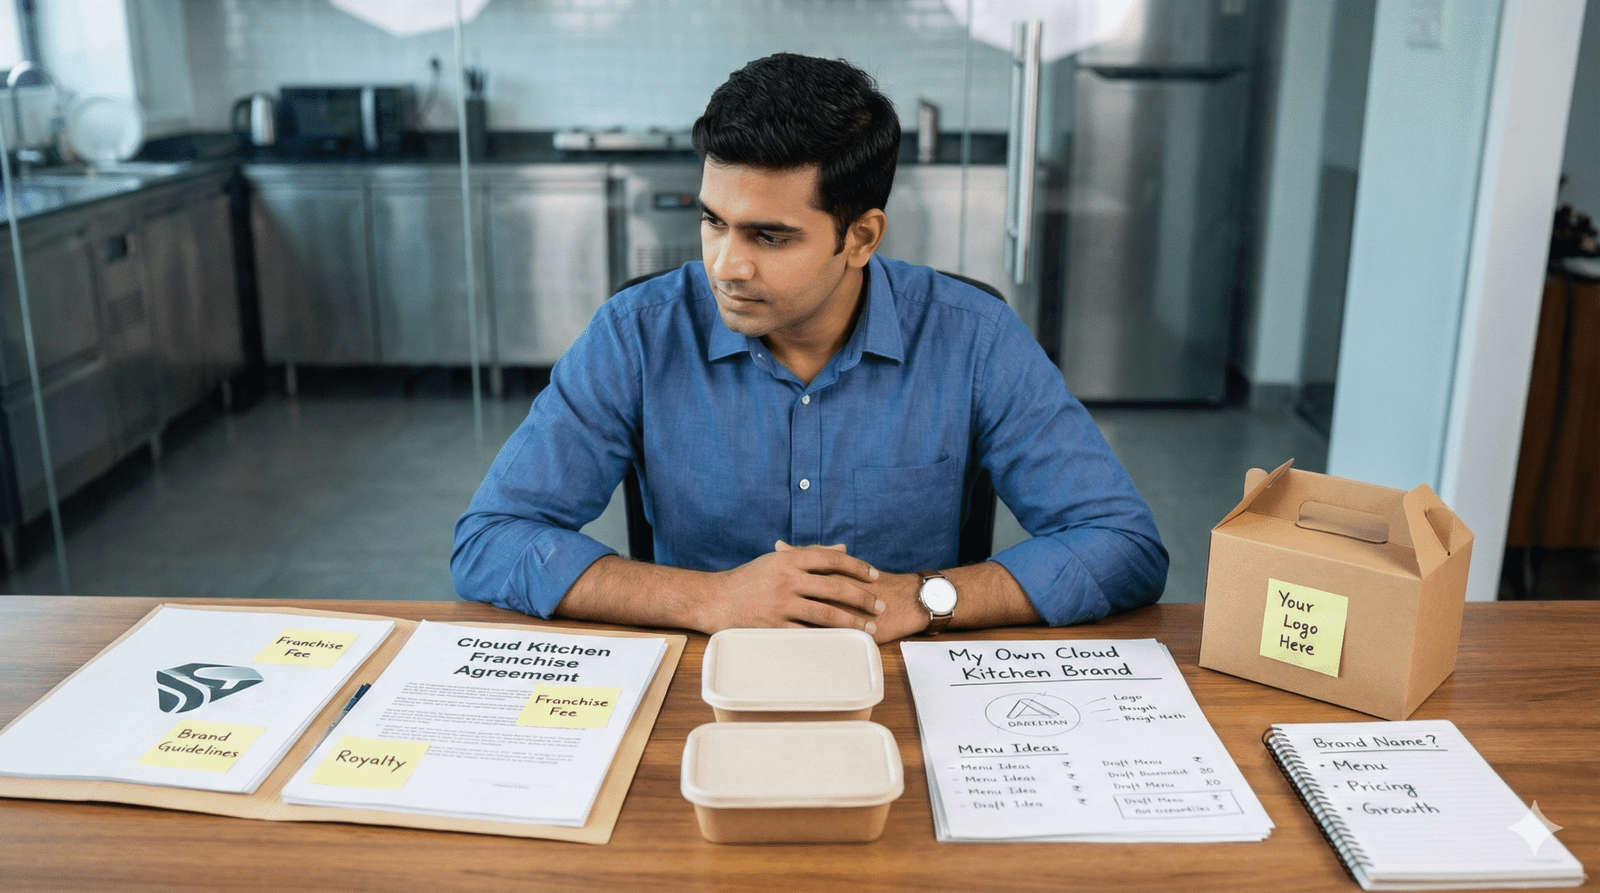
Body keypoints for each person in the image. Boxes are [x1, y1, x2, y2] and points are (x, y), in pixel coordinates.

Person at [452, 53, 1167, 642]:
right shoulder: (636, 333)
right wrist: (709, 600)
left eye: (769, 235)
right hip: (702, 690)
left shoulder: (973, 337)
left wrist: (925, 598)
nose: (726, 265)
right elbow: (490, 540)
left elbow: (1122, 544)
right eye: (713, 221)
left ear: (860, 237)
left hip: (905, 695)